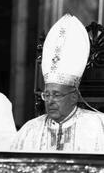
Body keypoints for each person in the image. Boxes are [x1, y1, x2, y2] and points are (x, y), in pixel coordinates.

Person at [12, 14, 104, 152]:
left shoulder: (99, 127)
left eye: (56, 95)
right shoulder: (29, 131)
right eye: (46, 95)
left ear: (74, 96)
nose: (50, 101)